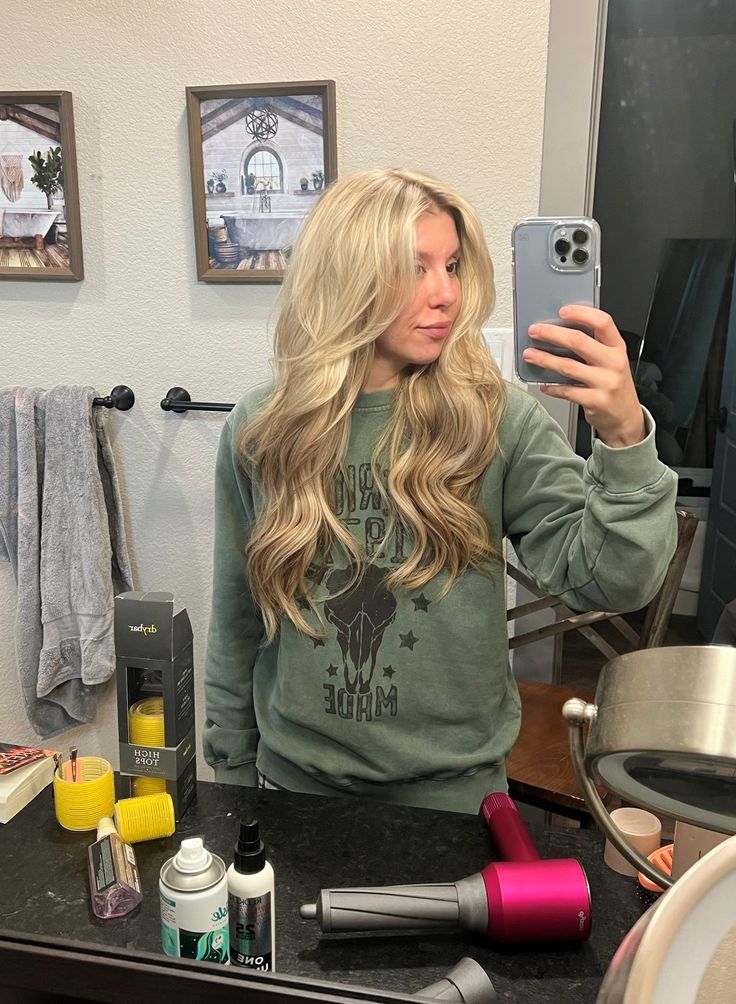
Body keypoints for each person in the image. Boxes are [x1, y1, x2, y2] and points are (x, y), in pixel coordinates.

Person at [203, 168, 678, 814]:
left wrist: (623, 436)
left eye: (452, 266)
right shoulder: (261, 428)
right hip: (292, 796)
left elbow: (616, 580)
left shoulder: (495, 420)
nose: (445, 294)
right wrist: (229, 781)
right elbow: (236, 621)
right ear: (349, 274)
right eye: (416, 267)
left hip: (456, 804)